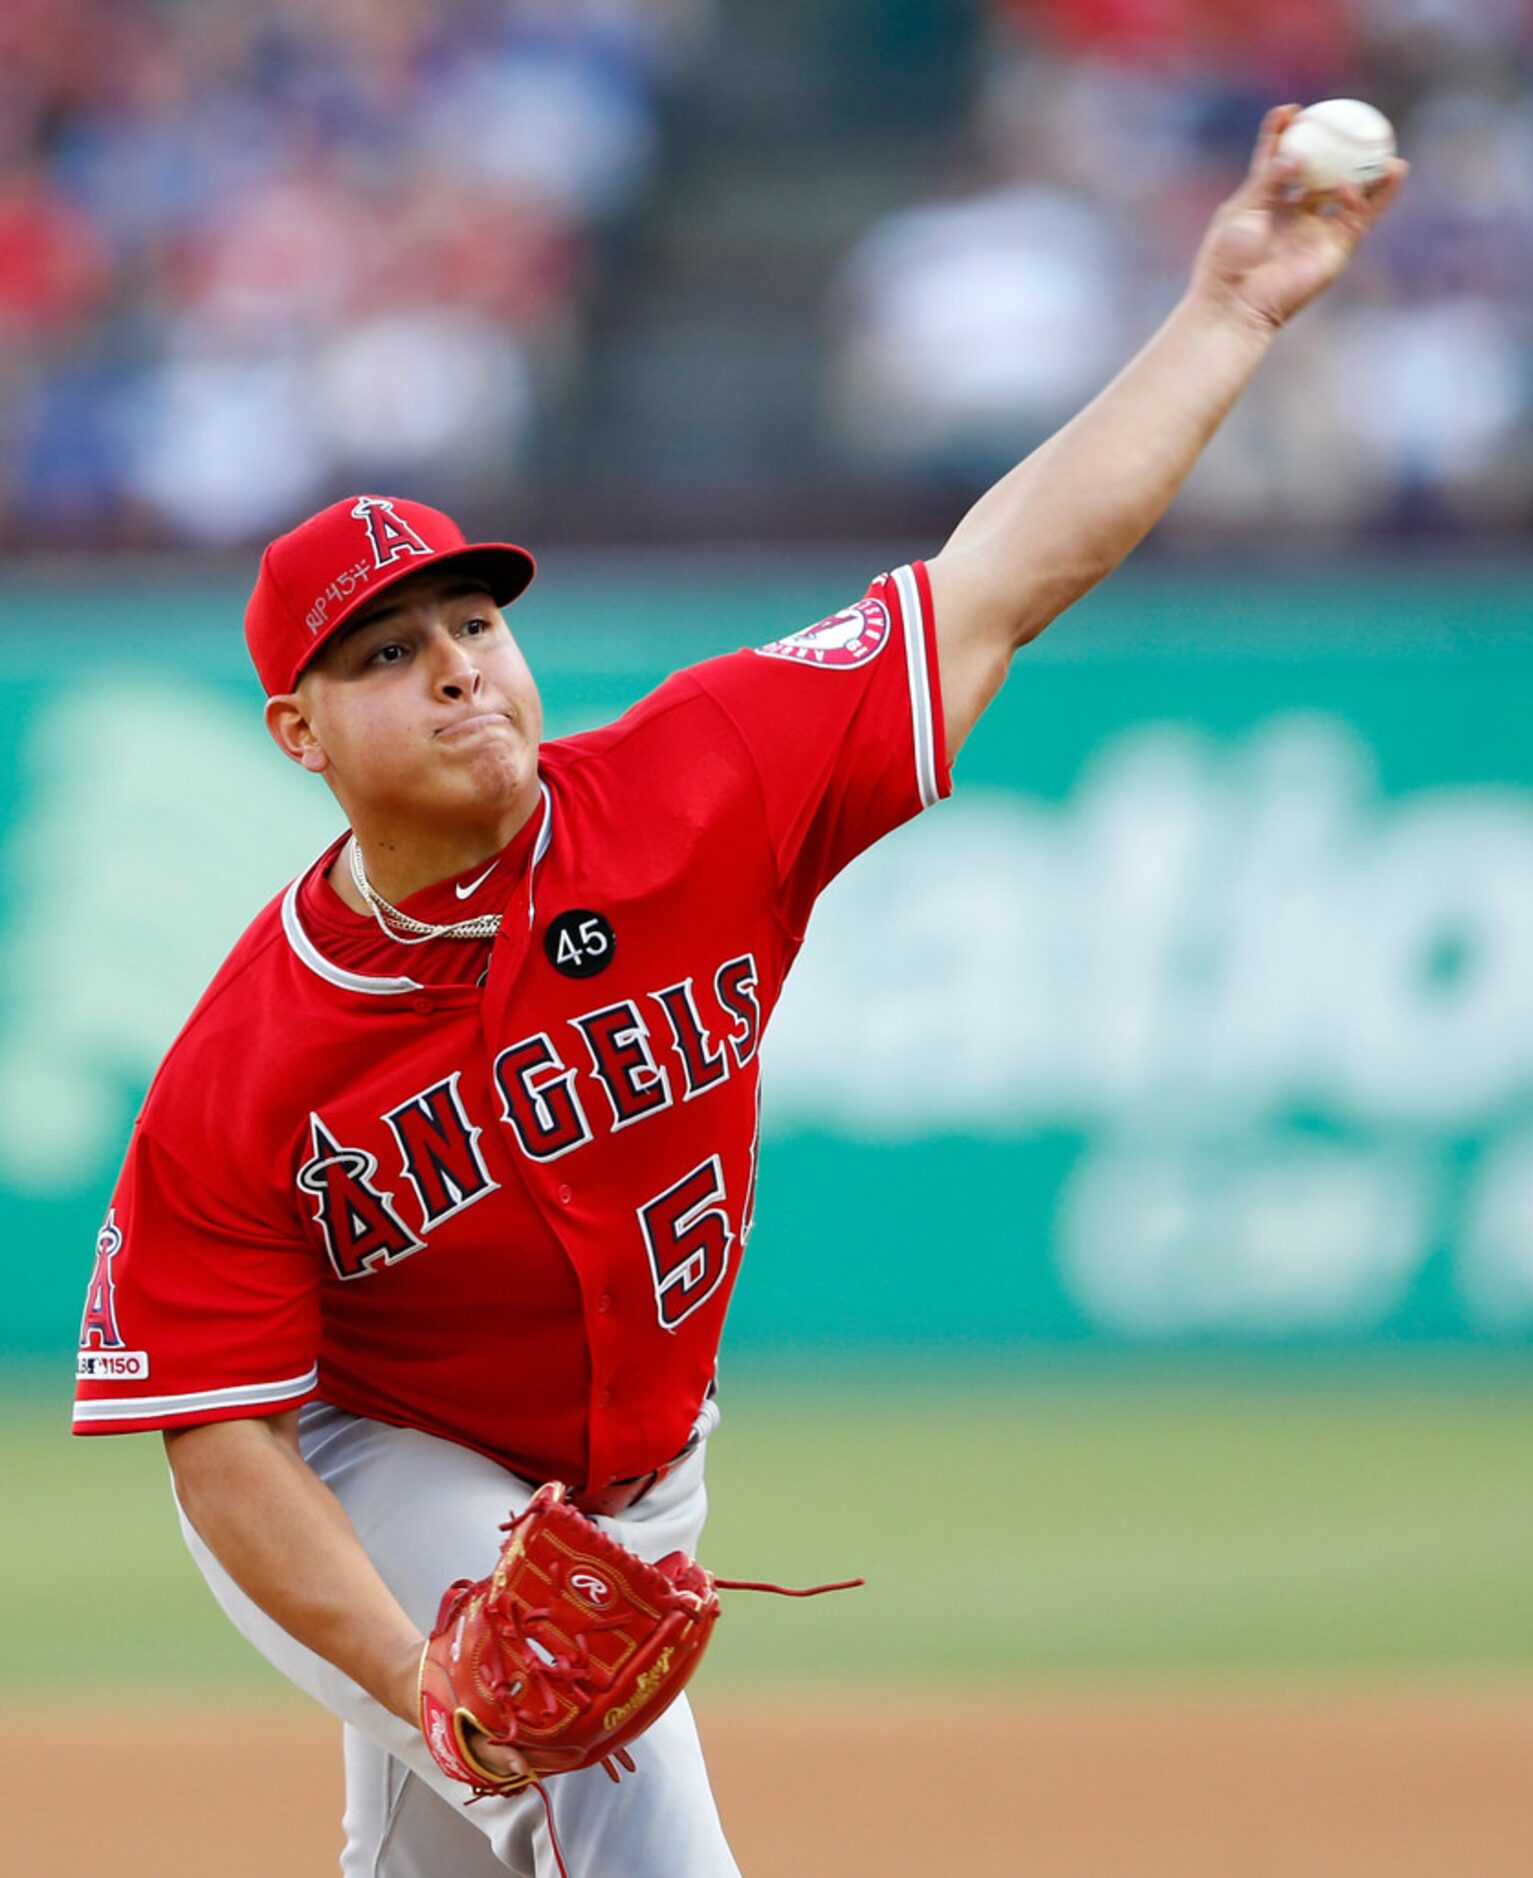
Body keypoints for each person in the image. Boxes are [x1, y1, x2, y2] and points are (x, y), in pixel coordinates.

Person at [73, 110, 1404, 1877]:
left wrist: (1229, 315)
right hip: (371, 1470)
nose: (458, 666)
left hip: (637, 1475)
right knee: (615, 1782)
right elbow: (223, 1438)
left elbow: (1001, 579)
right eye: (387, 654)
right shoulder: (250, 1063)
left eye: (472, 621)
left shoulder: (703, 778)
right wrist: (423, 1673)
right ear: (298, 734)